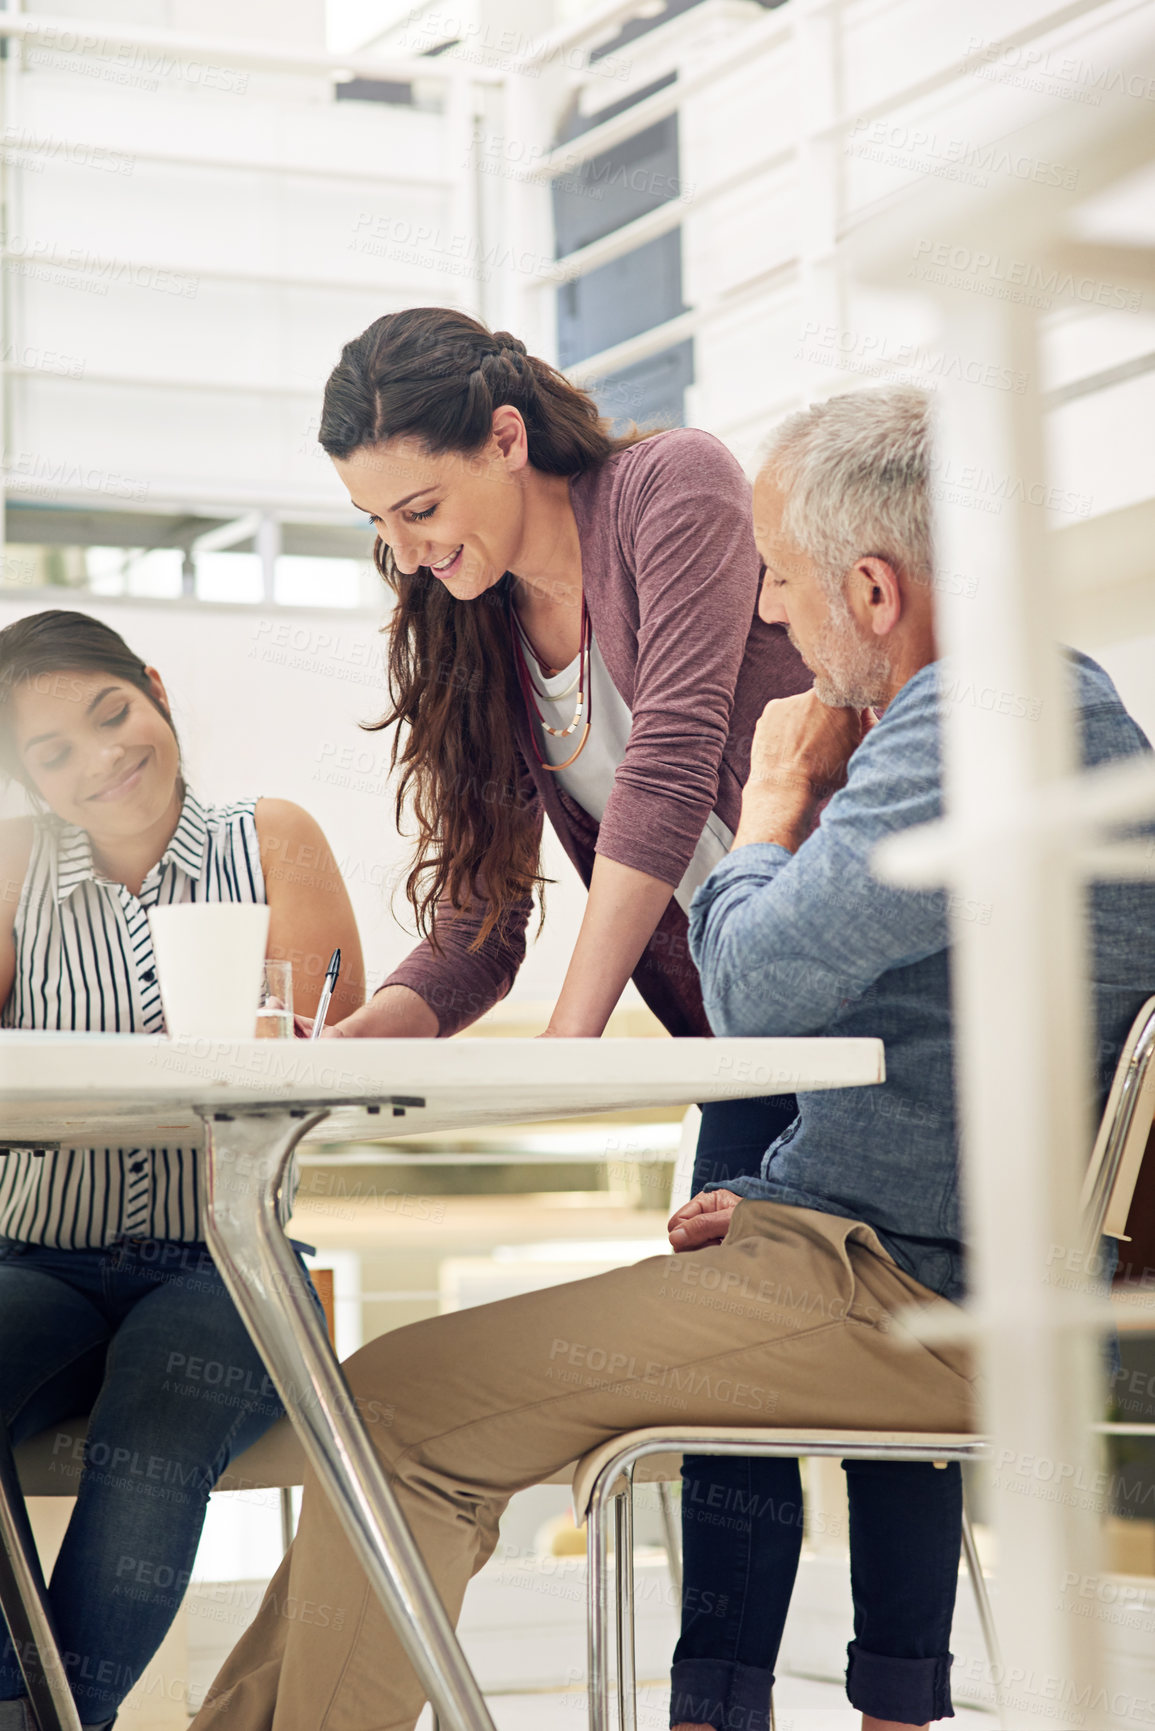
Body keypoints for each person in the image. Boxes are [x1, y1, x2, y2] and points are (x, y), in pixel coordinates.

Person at [185, 384, 1155, 1731]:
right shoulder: (1035, 707)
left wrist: (763, 812)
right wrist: (780, 1193)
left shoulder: (963, 725)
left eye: (780, 579)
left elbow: (747, 986)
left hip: (907, 1299)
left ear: (869, 590)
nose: (767, 612)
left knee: (400, 1408)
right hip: (894, 1260)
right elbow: (938, 1046)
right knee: (399, 1401)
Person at [315, 309, 956, 1727]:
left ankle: (896, 1705)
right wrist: (380, 1024)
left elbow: (668, 761)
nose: (413, 548)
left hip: (865, 991)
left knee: (888, 1351)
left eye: (423, 506)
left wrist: (569, 1038)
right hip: (737, 1014)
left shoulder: (669, 485)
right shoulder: (467, 618)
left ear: (503, 438)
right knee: (721, 1356)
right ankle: (709, 1705)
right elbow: (480, 914)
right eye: (382, 524)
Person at [0, 609, 364, 1731]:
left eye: (112, 714)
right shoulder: (11, 863)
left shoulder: (273, 838)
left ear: (154, 689)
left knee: (158, 1426)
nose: (100, 759)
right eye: (51, 751)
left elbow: (312, 1056)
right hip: (35, 1254)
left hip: (225, 1257)